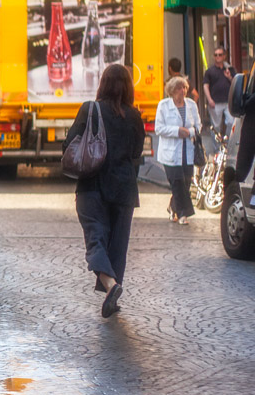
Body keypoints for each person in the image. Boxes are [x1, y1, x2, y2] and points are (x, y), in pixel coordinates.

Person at [62, 64, 145, 318]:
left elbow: (70, 144)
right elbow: (137, 152)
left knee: (95, 238)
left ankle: (111, 286)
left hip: (93, 186)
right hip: (124, 190)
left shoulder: (90, 109)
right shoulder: (134, 116)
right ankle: (113, 290)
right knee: (117, 245)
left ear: (103, 84)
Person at [156, 76, 202, 225]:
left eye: (184, 88)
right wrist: (177, 131)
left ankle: (172, 207)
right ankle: (183, 214)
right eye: (178, 88)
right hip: (170, 153)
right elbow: (159, 128)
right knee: (177, 182)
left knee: (186, 182)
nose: (182, 91)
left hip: (187, 151)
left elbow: (199, 126)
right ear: (171, 90)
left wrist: (190, 132)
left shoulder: (191, 105)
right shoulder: (163, 105)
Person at [203, 46, 236, 135]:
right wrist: (209, 99)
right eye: (216, 55)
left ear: (224, 56)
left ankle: (228, 144)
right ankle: (217, 148)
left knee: (231, 122)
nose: (218, 57)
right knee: (216, 126)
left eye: (220, 55)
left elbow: (235, 84)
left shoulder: (230, 69)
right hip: (215, 102)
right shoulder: (209, 71)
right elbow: (205, 85)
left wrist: (229, 77)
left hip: (228, 101)